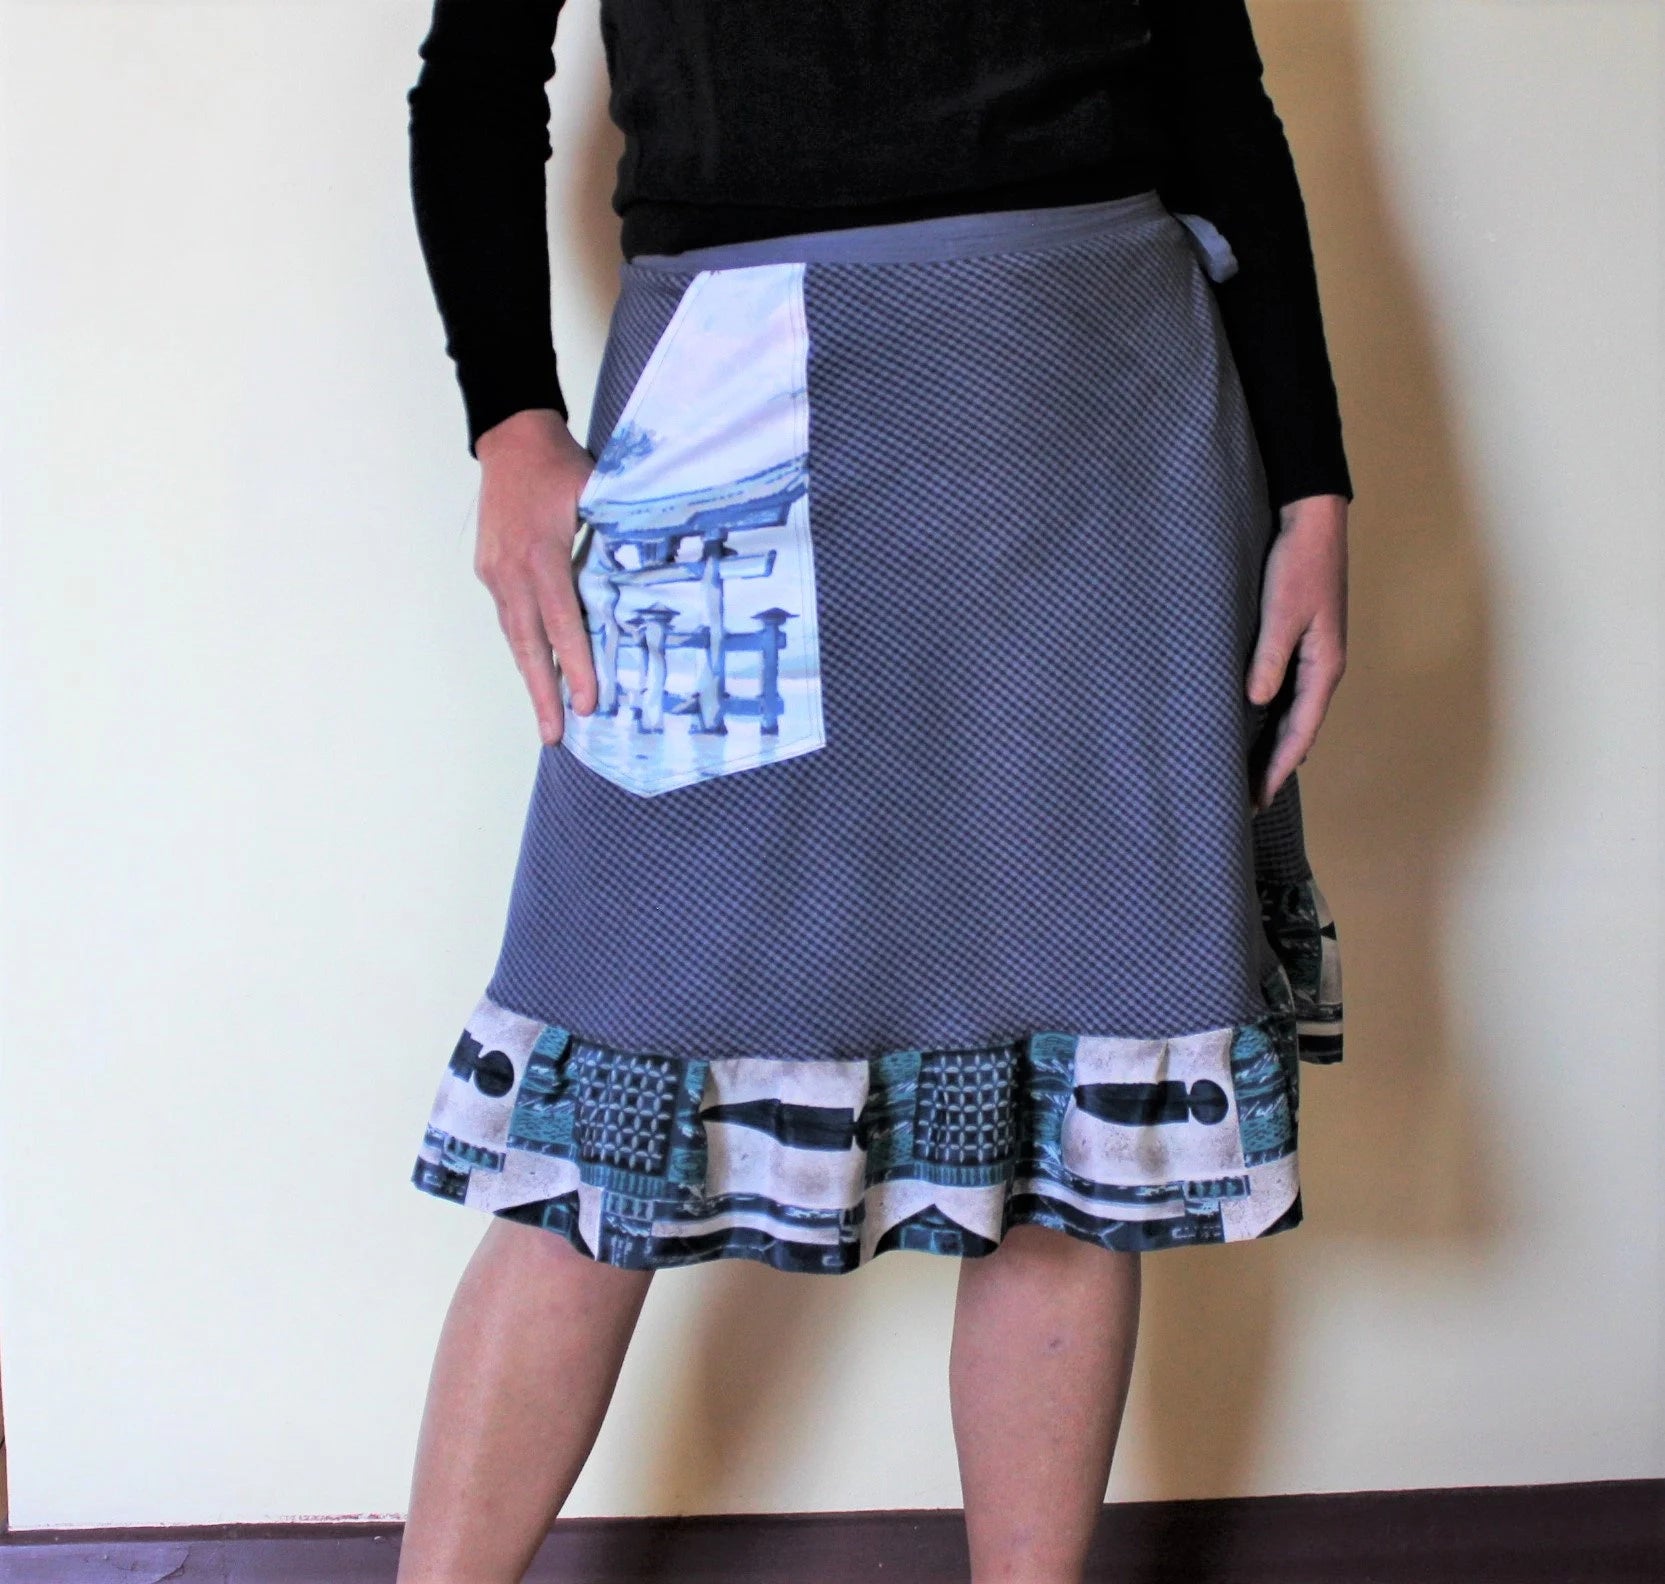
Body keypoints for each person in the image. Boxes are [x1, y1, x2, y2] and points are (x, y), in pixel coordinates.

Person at [397, 2, 1350, 1580]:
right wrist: (508, 417)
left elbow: (1211, 92)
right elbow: (476, 81)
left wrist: (1312, 480)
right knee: (609, 1054)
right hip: (731, 394)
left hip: (1094, 403)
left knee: (1073, 1067)